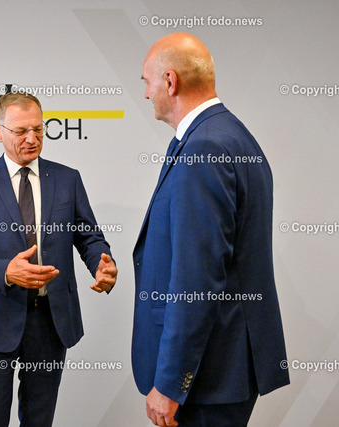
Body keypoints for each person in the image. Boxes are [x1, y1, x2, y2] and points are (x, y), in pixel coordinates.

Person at [132, 32, 289, 426]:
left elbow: (197, 277)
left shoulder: (204, 148)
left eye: (147, 82)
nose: (147, 93)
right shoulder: (229, 135)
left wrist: (171, 383)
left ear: (170, 81)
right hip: (222, 366)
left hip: (208, 377)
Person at [0, 91, 118, 426]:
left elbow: (89, 236)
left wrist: (101, 262)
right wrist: (5, 272)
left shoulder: (67, 179)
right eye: (21, 131)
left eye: (38, 129)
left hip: (50, 321)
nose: (32, 138)